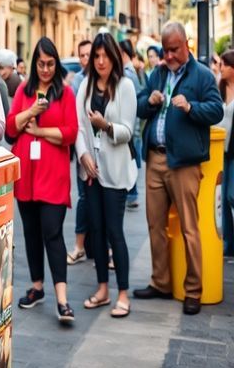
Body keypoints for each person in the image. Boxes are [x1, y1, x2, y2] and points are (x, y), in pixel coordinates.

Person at [133, 22, 223, 315]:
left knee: (189, 227)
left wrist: (191, 107)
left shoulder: (202, 75)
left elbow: (216, 110)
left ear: (186, 45)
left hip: (184, 162)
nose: (169, 56)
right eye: (165, 50)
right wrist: (150, 101)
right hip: (156, 159)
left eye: (174, 49)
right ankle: (161, 282)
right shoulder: (158, 74)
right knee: (155, 225)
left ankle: (193, 290)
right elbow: (138, 106)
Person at [6, 37, 78, 324]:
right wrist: (32, 112)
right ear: (34, 64)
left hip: (54, 177)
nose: (46, 69)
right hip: (27, 177)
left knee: (52, 232)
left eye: (50, 64)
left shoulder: (66, 94)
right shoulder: (24, 91)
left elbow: (70, 133)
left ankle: (62, 299)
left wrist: (40, 132)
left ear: (56, 64)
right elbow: (11, 128)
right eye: (41, 64)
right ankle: (37, 287)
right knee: (31, 233)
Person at [75, 33, 137, 318]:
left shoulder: (125, 86)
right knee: (96, 231)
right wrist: (83, 155)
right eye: (96, 56)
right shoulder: (85, 86)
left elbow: (128, 130)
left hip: (116, 171)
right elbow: (78, 127)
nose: (100, 62)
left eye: (105, 56)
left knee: (114, 231)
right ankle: (102, 289)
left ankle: (123, 293)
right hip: (92, 170)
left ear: (114, 57)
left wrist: (106, 125)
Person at [67, 38, 93, 266]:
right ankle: (79, 246)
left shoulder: (107, 79)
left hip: (105, 149)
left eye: (89, 54)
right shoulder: (77, 81)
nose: (86, 59)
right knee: (84, 198)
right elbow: (74, 117)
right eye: (82, 55)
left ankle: (104, 247)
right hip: (82, 146)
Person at [119, 39, 143, 209]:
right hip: (132, 126)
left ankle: (132, 194)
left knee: (129, 160)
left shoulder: (127, 74)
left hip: (130, 127)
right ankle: (131, 194)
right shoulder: (131, 72)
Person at [216, 50, 234, 257]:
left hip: (233, 150)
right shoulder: (218, 88)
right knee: (223, 196)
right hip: (221, 149)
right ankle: (229, 244)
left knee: (231, 195)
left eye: (224, 65)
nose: (221, 68)